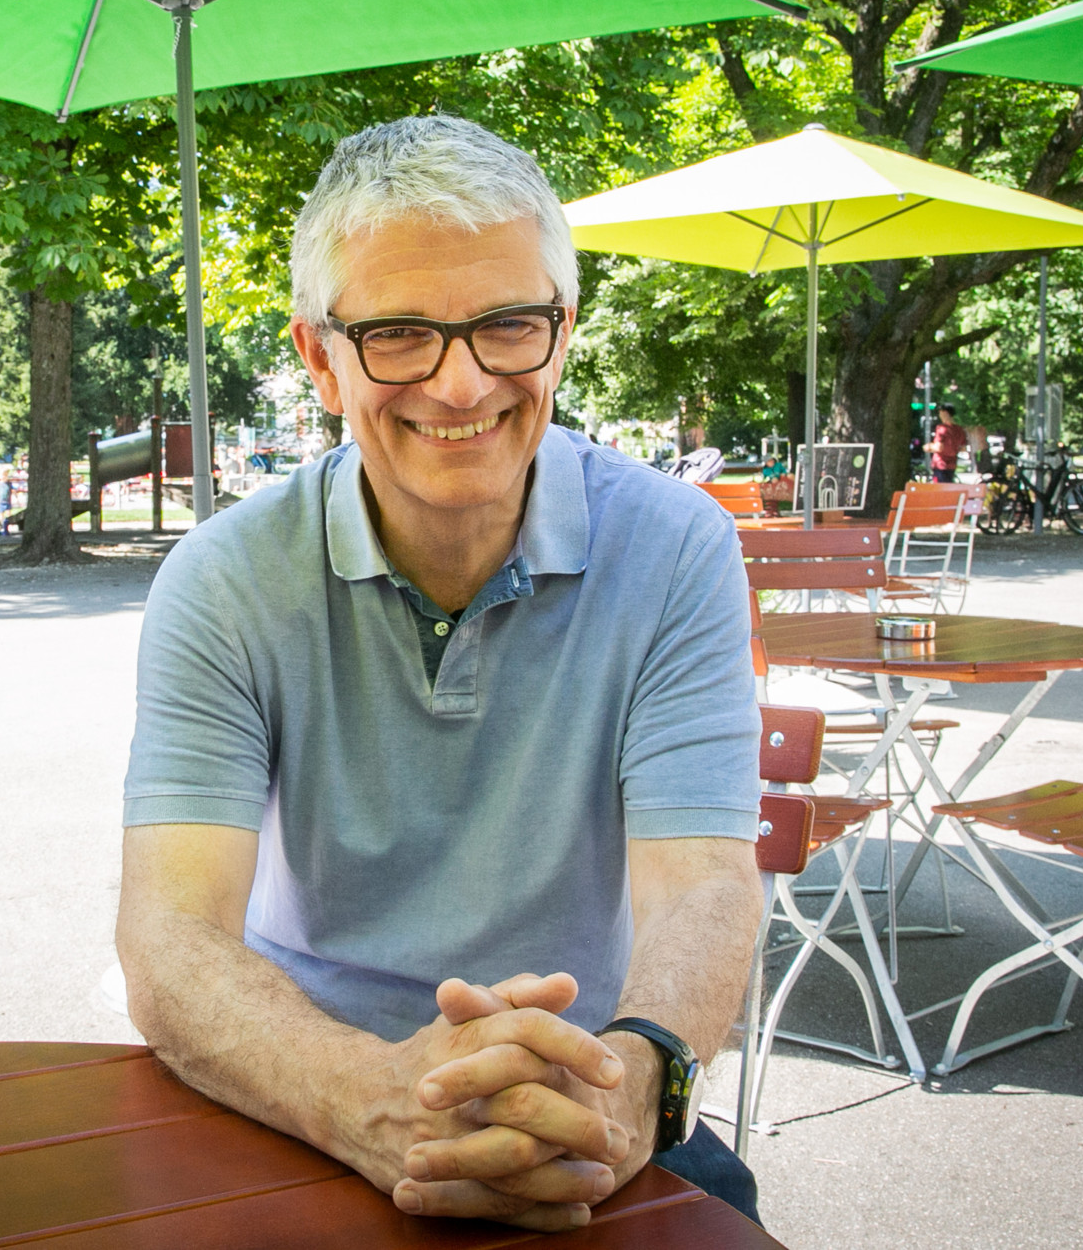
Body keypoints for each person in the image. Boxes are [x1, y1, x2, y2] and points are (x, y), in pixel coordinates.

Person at [117, 116, 763, 1235]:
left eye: (508, 325)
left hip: (580, 1091)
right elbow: (168, 938)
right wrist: (363, 1096)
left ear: (561, 335)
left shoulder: (677, 548)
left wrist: (632, 1082)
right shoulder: (222, 579)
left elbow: (704, 886)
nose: (461, 386)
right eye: (399, 336)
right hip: (292, 1091)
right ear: (319, 357)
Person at [925, 403, 969, 483]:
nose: (939, 415)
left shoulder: (942, 428)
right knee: (947, 489)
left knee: (939, 491)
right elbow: (963, 448)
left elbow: (939, 447)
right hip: (952, 465)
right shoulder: (959, 430)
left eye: (940, 413)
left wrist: (928, 447)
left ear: (945, 413)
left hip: (940, 464)